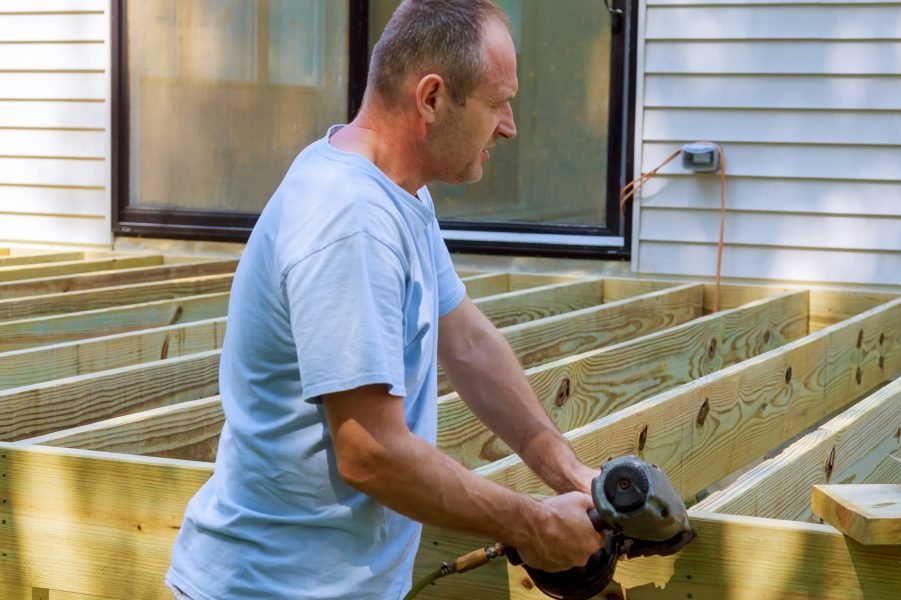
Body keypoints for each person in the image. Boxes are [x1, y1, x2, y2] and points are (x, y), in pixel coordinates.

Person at [165, 1, 606, 598]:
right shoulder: (350, 220)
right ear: (431, 98)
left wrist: (569, 473)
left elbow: (469, 343)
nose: (509, 125)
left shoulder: (399, 192)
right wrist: (533, 524)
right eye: (497, 102)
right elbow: (369, 453)